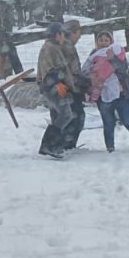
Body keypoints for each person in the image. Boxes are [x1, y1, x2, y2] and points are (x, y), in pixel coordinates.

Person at [81, 31, 129, 152]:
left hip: (122, 93)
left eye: (106, 40)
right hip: (102, 94)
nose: (103, 43)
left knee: (127, 120)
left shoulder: (117, 52)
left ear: (111, 42)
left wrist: (112, 59)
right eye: (101, 40)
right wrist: (93, 77)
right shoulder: (93, 55)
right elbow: (85, 71)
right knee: (108, 123)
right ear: (96, 42)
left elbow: (123, 69)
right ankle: (110, 148)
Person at [37, 23, 76, 159]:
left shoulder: (51, 47)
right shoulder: (51, 48)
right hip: (54, 87)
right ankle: (48, 145)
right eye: (62, 34)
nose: (64, 37)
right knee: (66, 115)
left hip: (53, 86)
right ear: (57, 34)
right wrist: (58, 83)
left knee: (60, 115)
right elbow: (50, 69)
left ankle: (55, 145)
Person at [61, 19, 88, 150]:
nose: (80, 36)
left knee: (72, 116)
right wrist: (86, 82)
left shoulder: (65, 45)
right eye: (78, 33)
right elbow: (73, 71)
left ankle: (67, 144)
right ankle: (68, 145)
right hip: (70, 87)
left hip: (66, 86)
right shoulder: (68, 48)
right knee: (77, 117)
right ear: (72, 33)